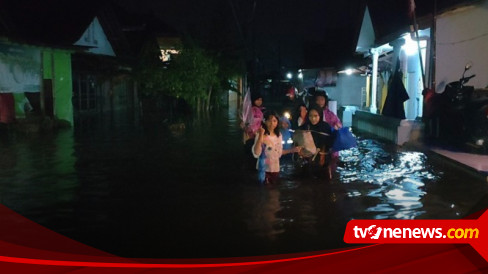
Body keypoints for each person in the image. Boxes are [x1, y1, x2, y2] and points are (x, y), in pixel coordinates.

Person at [299, 107, 334, 178]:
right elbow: (298, 142)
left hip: (323, 160)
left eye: (315, 116)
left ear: (320, 116)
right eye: (310, 116)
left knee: (324, 184)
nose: (313, 118)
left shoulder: (325, 127)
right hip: (308, 160)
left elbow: (331, 143)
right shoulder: (305, 127)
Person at [252, 111, 283, 184]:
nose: (272, 123)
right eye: (269, 120)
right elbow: (256, 153)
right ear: (264, 121)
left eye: (274, 121)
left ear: (277, 122)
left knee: (273, 190)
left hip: (275, 168)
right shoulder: (260, 134)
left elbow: (279, 153)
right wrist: (260, 136)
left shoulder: (279, 135)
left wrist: (292, 150)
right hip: (263, 168)